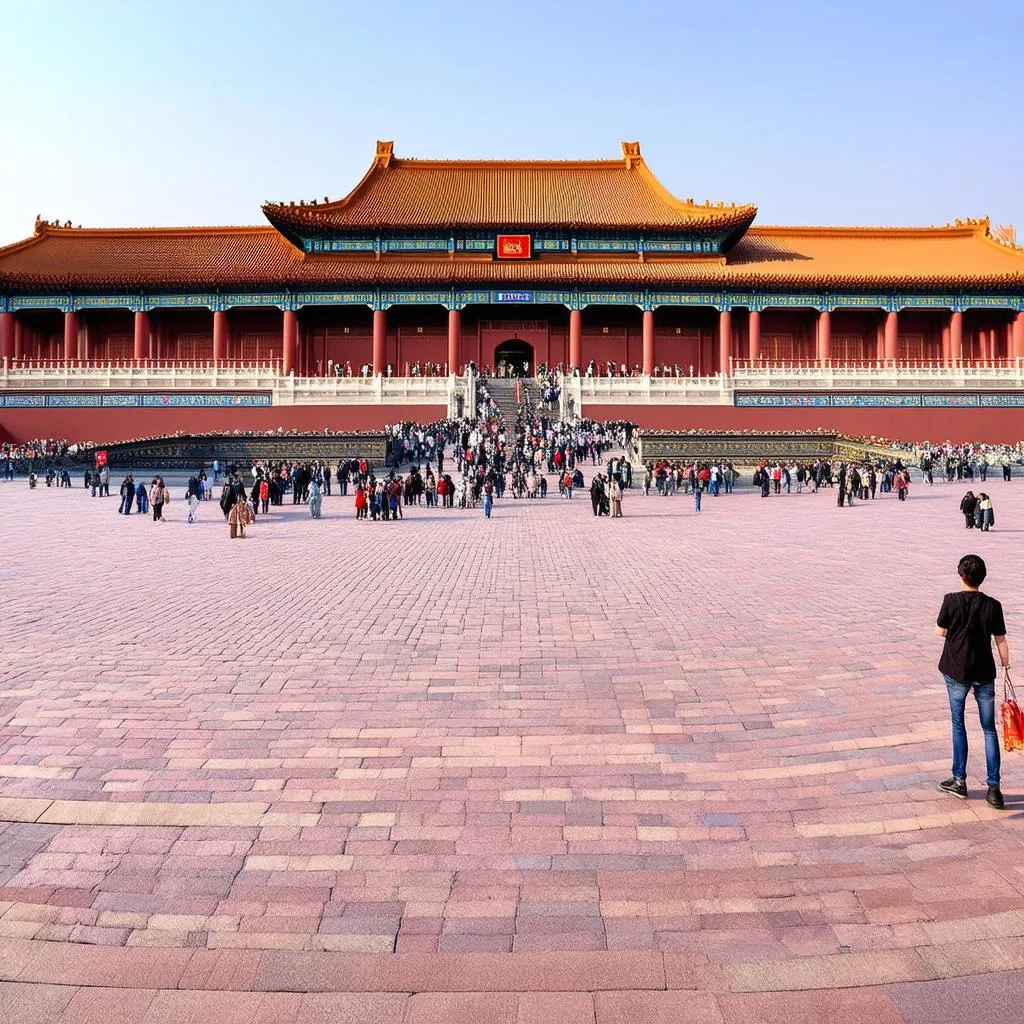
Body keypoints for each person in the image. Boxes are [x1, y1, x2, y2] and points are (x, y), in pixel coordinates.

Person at [935, 554, 1008, 808]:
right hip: (985, 672)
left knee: (958, 723)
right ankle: (994, 788)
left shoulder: (951, 601)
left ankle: (959, 779)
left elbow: (940, 631)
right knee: (989, 728)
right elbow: (1000, 640)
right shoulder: (993, 605)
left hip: (957, 670)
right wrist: (1005, 664)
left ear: (961, 575)